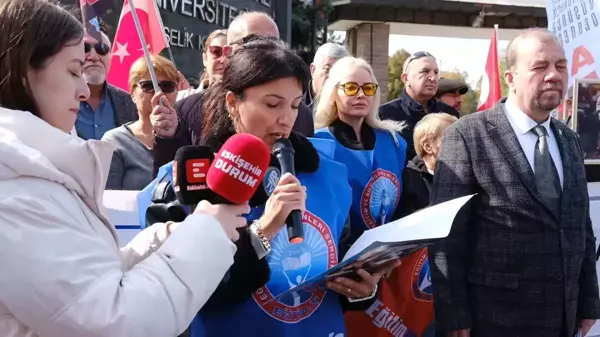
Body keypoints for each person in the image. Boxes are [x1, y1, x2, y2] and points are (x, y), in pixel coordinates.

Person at [0, 1, 250, 336]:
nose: (84, 89)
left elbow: (88, 282)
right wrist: (207, 234)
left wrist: (163, 239)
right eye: (73, 70)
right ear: (22, 70)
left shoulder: (31, 173)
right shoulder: (14, 190)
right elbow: (111, 321)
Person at [184, 38, 385, 337]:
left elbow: (336, 266)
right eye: (272, 104)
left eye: (294, 105)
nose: (285, 119)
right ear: (232, 103)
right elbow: (190, 295)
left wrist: (361, 290)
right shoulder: (194, 179)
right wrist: (264, 229)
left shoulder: (329, 175)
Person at [429, 28, 600, 337]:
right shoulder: (468, 135)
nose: (553, 75)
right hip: (494, 319)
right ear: (510, 77)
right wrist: (454, 315)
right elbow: (446, 237)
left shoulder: (570, 140)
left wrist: (588, 302)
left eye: (561, 66)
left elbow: (580, 228)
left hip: (564, 318)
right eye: (539, 66)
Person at [152, 12, 315, 176]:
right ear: (232, 103)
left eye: (273, 44)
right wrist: (168, 140)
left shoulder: (304, 119)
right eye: (254, 44)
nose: (286, 120)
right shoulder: (188, 110)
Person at [103, 54, 179, 190]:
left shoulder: (188, 135)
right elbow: (109, 199)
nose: (158, 92)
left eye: (167, 86)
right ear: (133, 93)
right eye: (148, 85)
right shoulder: (114, 141)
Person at [379, 51, 459, 160]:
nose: (433, 78)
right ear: (405, 78)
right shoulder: (385, 114)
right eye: (425, 71)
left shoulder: (449, 114)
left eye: (436, 72)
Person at [76, 26, 137, 140]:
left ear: (110, 56)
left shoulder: (128, 102)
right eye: (84, 48)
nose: (94, 57)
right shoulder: (55, 99)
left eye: (102, 48)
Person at [399, 113, 457, 216]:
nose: (460, 144)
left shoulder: (468, 174)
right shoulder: (406, 181)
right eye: (452, 139)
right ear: (428, 147)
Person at [177, 29, 227, 101]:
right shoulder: (182, 100)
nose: (223, 60)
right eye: (216, 51)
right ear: (205, 58)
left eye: (229, 53)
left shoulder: (244, 104)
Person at [305, 43, 350, 109]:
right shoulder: (296, 100)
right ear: (313, 70)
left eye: (339, 73)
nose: (333, 78)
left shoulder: (347, 105)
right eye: (327, 69)